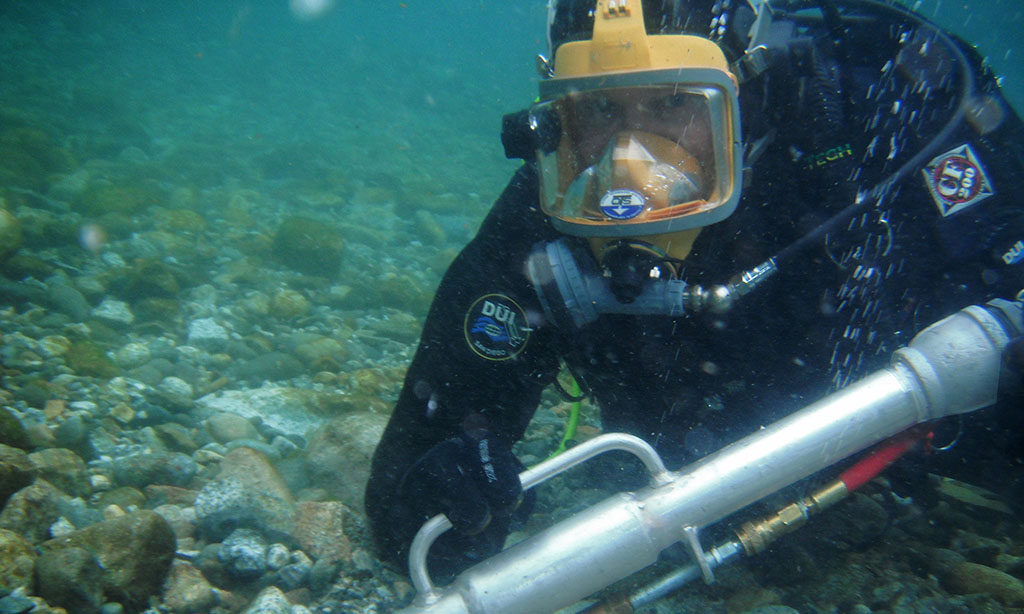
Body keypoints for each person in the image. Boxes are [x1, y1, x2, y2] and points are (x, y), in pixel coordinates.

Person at [366, 0, 1024, 579]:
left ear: (742, 93)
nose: (629, 162)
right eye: (598, 108)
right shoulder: (544, 227)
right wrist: (442, 496)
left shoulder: (867, 126)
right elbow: (407, 501)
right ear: (556, 118)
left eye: (675, 103)